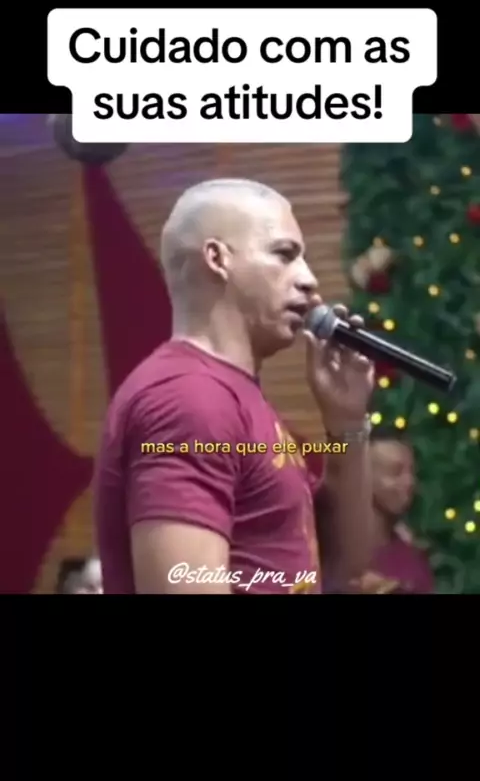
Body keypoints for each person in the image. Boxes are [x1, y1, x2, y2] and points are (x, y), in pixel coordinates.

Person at [94, 178, 375, 594]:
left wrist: (347, 422)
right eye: (284, 254)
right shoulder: (188, 398)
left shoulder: (230, 393)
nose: (309, 279)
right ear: (217, 258)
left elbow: (343, 562)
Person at [348, 428, 435, 594]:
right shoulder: (330, 551)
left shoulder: (413, 559)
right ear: (362, 476)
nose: (409, 481)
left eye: (411, 471)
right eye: (396, 472)